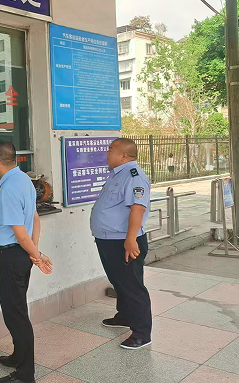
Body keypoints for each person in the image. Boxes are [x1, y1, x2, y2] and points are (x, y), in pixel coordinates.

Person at [0, 141, 52, 383]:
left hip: (11, 256)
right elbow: (35, 219)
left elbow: (20, 232)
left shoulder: (10, 188)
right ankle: (18, 356)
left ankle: (25, 375)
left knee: (16, 315)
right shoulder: (24, 179)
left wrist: (36, 255)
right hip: (21, 255)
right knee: (17, 310)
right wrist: (33, 252)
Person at [90, 138, 152, 350]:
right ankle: (125, 315)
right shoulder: (118, 174)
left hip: (124, 241)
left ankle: (142, 333)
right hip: (110, 239)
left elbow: (138, 208)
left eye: (111, 150)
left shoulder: (134, 176)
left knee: (132, 286)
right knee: (119, 281)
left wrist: (130, 240)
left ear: (124, 156)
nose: (107, 153)